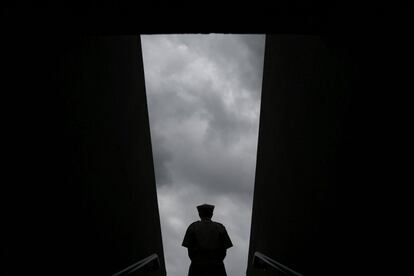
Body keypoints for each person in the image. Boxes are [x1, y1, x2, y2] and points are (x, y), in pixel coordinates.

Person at [182, 204, 233, 276]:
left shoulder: (193, 227)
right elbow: (224, 249)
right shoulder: (220, 227)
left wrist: (196, 260)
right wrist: (218, 260)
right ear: (211, 214)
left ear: (199, 214)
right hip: (217, 267)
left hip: (197, 267)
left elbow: (189, 248)